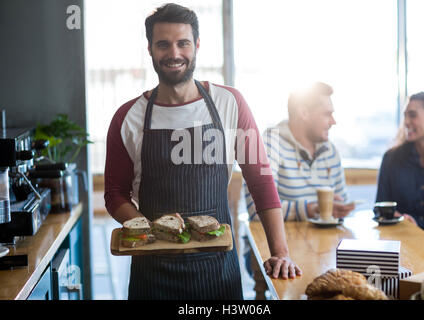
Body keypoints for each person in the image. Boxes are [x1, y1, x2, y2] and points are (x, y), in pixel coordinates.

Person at [104, 3, 301, 300]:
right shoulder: (128, 117)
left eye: (183, 43)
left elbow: (259, 180)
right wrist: (147, 230)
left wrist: (281, 253)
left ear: (196, 45)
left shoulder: (230, 104)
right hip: (151, 273)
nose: (174, 53)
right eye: (163, 44)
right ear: (149, 49)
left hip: (218, 273)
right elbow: (115, 193)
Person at [245, 82, 355, 223]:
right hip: (285, 243)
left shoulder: (331, 151)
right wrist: (310, 209)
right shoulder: (269, 145)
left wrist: (339, 209)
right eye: (327, 114)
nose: (333, 122)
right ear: (304, 113)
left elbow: (341, 207)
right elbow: (256, 210)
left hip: (325, 242)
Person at [376, 91, 424, 245]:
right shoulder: (391, 159)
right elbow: (379, 206)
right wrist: (396, 217)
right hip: (399, 243)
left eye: (413, 115)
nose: (406, 122)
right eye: (405, 115)